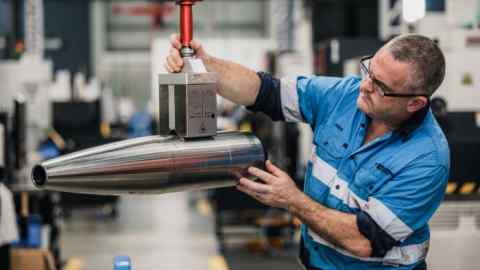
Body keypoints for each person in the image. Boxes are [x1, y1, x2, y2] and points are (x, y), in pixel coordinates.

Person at [165, 34, 449, 270]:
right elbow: (266, 92)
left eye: (380, 86)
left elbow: (364, 241)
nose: (364, 85)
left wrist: (292, 200)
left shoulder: (427, 160)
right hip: (315, 262)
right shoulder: (344, 95)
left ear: (414, 103)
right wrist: (204, 65)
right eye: (368, 70)